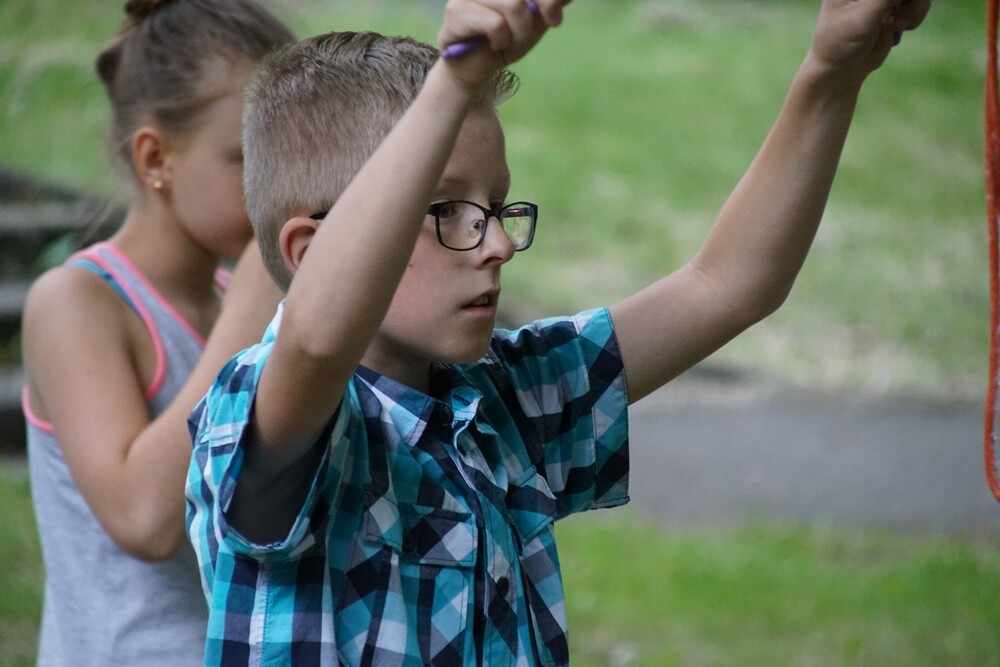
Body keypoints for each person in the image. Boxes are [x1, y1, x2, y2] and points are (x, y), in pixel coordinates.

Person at [185, 0, 931, 664]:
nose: (498, 243)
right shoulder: (262, 409)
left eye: (498, 205)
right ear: (311, 253)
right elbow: (316, 341)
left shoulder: (502, 399)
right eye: (446, 210)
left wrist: (832, 70)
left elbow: (728, 286)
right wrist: (450, 86)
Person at [20, 1, 294, 664]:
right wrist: (255, 311)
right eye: (250, 158)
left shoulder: (234, 303)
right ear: (155, 158)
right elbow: (143, 519)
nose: (282, 187)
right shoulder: (78, 301)